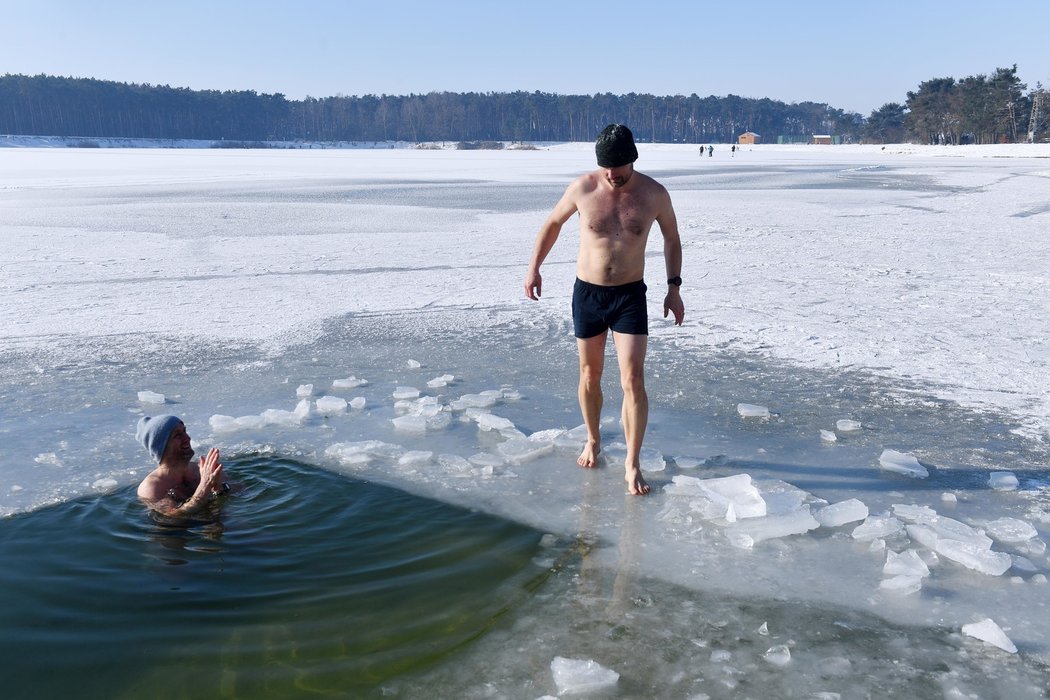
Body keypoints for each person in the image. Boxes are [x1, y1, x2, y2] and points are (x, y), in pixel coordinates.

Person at [523, 124, 684, 495]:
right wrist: (534, 267)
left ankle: (632, 463)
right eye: (607, 169)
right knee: (590, 375)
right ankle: (593, 439)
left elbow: (672, 237)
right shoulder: (583, 188)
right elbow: (552, 223)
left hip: (629, 295)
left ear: (633, 158)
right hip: (589, 294)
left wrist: (673, 288)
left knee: (633, 381)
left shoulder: (654, 194)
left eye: (620, 169)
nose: (613, 176)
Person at [136, 414, 227, 516]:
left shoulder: (201, 470)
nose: (187, 438)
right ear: (162, 447)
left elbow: (242, 494)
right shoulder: (152, 487)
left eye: (184, 431)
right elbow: (173, 517)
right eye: (178, 435)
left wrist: (218, 488)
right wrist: (205, 486)